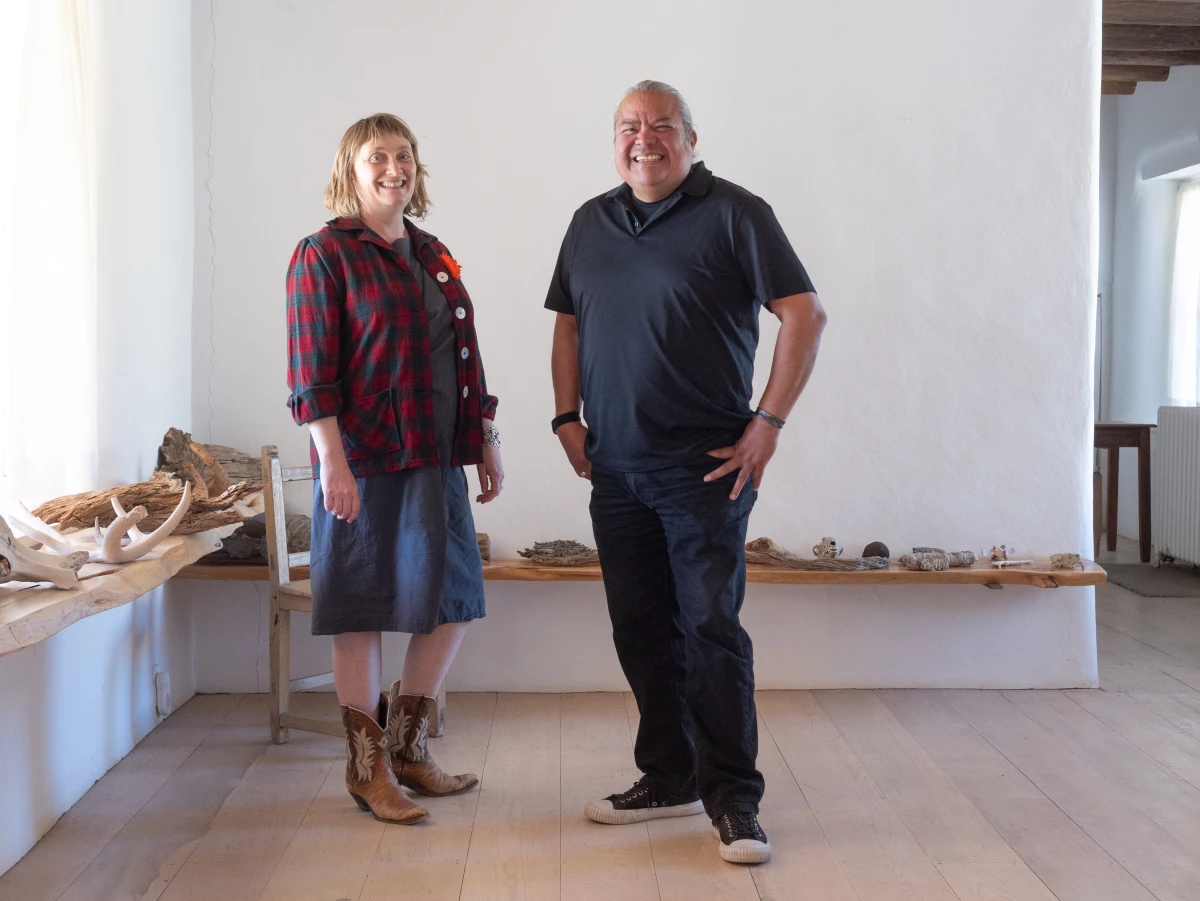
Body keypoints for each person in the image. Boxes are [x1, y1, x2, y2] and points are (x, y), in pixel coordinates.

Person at [545, 81, 826, 863]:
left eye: (662, 126)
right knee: (640, 628)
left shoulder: (737, 213)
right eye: (630, 128)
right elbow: (569, 324)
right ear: (615, 142)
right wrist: (567, 418)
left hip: (705, 468)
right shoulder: (589, 223)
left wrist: (766, 423)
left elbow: (804, 313)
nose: (646, 139)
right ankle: (668, 775)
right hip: (616, 469)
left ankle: (734, 798)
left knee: (709, 628)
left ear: (691, 140)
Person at [286, 113, 503, 825]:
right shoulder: (324, 255)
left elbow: (459, 356)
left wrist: (486, 437)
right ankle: (366, 770)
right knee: (362, 608)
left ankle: (408, 750)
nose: (393, 168)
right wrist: (331, 464)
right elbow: (312, 373)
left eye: (403, 155)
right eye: (377, 156)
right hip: (365, 462)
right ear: (351, 169)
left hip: (436, 456)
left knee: (454, 601)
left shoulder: (433, 253)